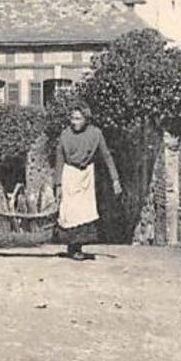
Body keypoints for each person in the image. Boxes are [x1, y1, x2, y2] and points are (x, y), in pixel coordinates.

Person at [53, 100, 121, 261]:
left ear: (86, 119)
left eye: (78, 119)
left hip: (86, 175)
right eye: (72, 118)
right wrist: (58, 184)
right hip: (69, 174)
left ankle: (78, 247)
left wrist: (115, 179)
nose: (74, 122)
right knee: (70, 212)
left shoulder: (95, 134)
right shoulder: (65, 135)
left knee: (83, 211)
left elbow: (106, 155)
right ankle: (72, 246)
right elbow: (59, 159)